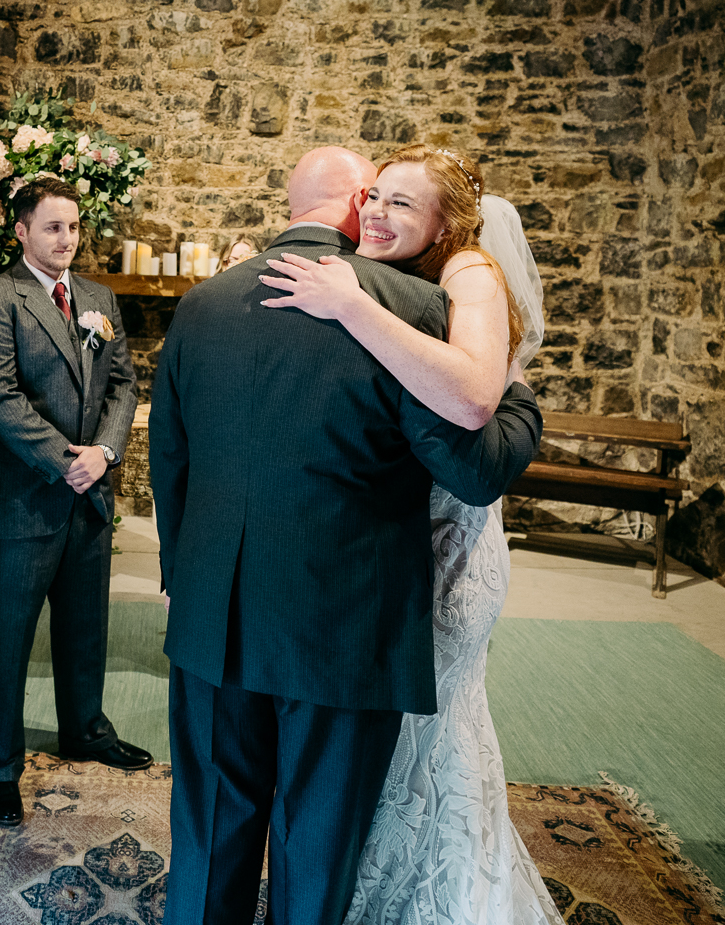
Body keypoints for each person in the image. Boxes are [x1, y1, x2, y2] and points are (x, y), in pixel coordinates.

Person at [148, 146, 543, 925]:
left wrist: (181, 578)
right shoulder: (413, 308)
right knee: (318, 840)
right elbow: (470, 468)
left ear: (290, 199)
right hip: (344, 619)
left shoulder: (203, 302)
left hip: (215, 613)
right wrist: (520, 400)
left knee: (211, 825)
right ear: (361, 199)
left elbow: (170, 458)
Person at [259, 145, 560, 924]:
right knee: (373, 733)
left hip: (450, 538)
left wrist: (351, 306)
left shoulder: (469, 275)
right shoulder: (378, 268)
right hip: (392, 530)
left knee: (432, 721)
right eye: (376, 196)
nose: (379, 213)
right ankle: (358, 883)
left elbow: (469, 400)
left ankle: (442, 892)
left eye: (403, 203)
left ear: (446, 224)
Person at [0, 175, 148, 828]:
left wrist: (105, 452)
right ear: (21, 231)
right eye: (51, 227)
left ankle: (85, 730)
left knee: (85, 626)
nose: (65, 239)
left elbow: (122, 384)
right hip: (28, 499)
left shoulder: (97, 298)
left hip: (90, 492)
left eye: (72, 227)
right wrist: (66, 461)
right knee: (10, 638)